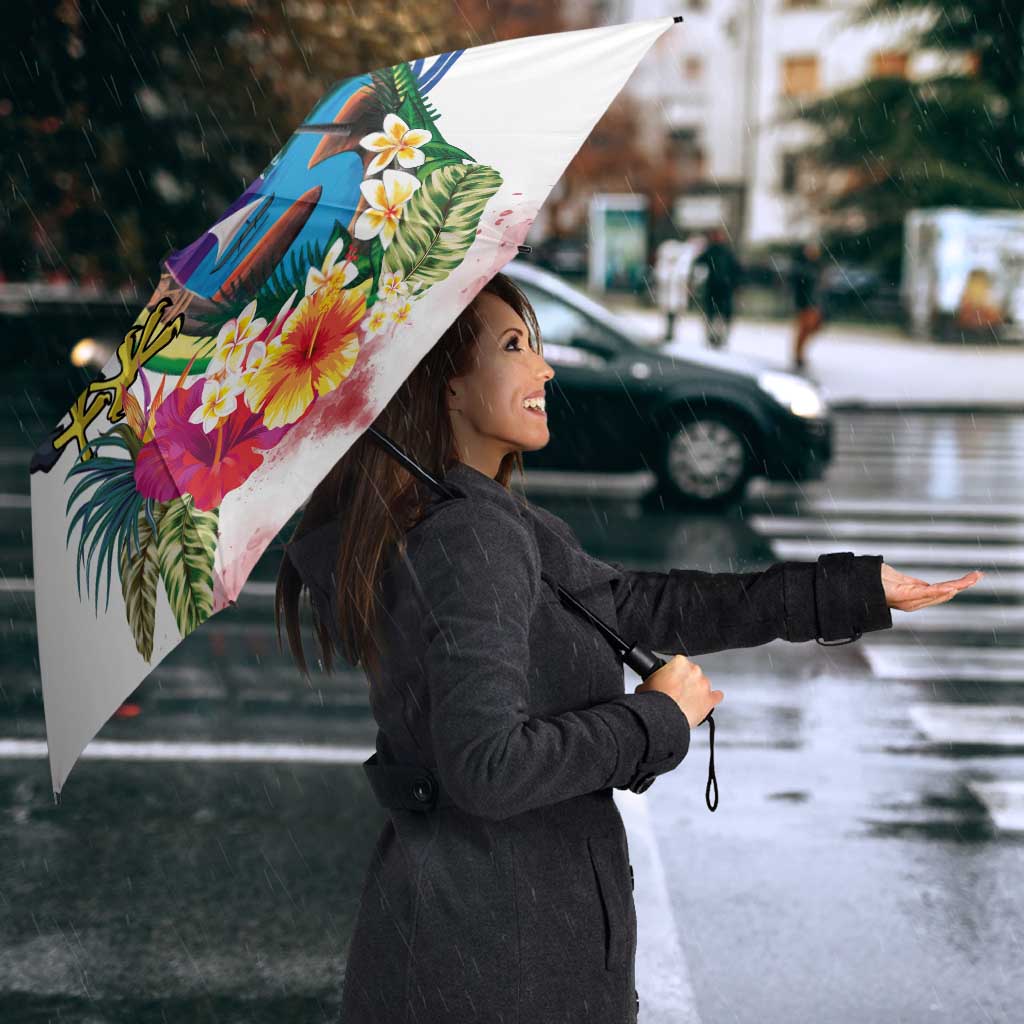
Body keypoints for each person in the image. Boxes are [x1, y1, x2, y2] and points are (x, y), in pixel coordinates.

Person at [276, 271, 980, 1024]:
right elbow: (487, 768)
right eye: (514, 346)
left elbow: (642, 605)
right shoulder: (469, 536)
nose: (544, 368)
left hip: (482, 942)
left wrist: (850, 591)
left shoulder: (479, 519)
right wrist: (655, 719)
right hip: (497, 963)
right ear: (445, 386)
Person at [692, 226, 742, 349]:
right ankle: (713, 337)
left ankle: (719, 337)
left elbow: (736, 270)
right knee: (713, 314)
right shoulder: (712, 251)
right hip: (715, 288)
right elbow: (698, 264)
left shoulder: (725, 252)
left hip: (723, 288)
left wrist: (735, 284)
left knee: (720, 315)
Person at [790, 239, 826, 370]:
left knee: (812, 328)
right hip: (805, 303)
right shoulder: (802, 267)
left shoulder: (817, 266)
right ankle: (798, 355)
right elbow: (799, 286)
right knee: (804, 329)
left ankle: (799, 354)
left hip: (814, 303)